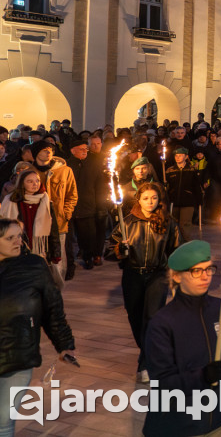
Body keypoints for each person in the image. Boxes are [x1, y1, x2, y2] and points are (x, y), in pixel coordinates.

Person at [143, 241, 221, 437]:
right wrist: (202, 377)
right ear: (176, 276)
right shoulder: (163, 322)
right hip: (180, 426)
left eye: (209, 269)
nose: (205, 276)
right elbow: (162, 382)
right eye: (196, 271)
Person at [0, 217, 77, 437]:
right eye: (9, 238)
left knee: (3, 419)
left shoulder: (34, 265)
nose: (17, 242)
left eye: (19, 236)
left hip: (18, 354)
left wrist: (65, 344)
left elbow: (52, 308)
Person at [105, 182, 184, 382]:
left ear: (160, 200)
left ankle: (145, 365)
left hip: (157, 275)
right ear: (138, 200)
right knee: (135, 317)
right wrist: (119, 251)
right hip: (132, 275)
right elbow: (107, 249)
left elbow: (177, 249)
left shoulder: (168, 222)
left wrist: (177, 274)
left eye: (154, 198)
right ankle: (150, 353)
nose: (150, 202)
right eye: (146, 198)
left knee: (152, 319)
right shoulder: (128, 222)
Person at [30, 140, 76, 282]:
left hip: (59, 222)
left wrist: (65, 214)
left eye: (50, 149)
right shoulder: (30, 172)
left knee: (58, 260)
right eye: (44, 150)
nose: (48, 152)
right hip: (36, 223)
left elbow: (72, 195)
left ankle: (57, 292)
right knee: (38, 258)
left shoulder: (64, 171)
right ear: (36, 153)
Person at [67, 136, 107, 270]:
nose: (85, 151)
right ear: (73, 151)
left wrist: (100, 205)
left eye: (86, 149)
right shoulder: (67, 166)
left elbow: (100, 186)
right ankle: (69, 260)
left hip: (88, 205)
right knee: (70, 237)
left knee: (88, 235)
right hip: (71, 207)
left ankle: (88, 257)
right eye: (81, 149)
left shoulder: (93, 165)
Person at [164, 147, 203, 241]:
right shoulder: (170, 170)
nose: (178, 158)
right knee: (174, 222)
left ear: (186, 157)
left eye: (180, 156)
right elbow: (167, 186)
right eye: (176, 156)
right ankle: (174, 242)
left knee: (185, 223)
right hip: (174, 200)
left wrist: (199, 200)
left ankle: (185, 241)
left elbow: (196, 186)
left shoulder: (191, 170)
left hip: (187, 200)